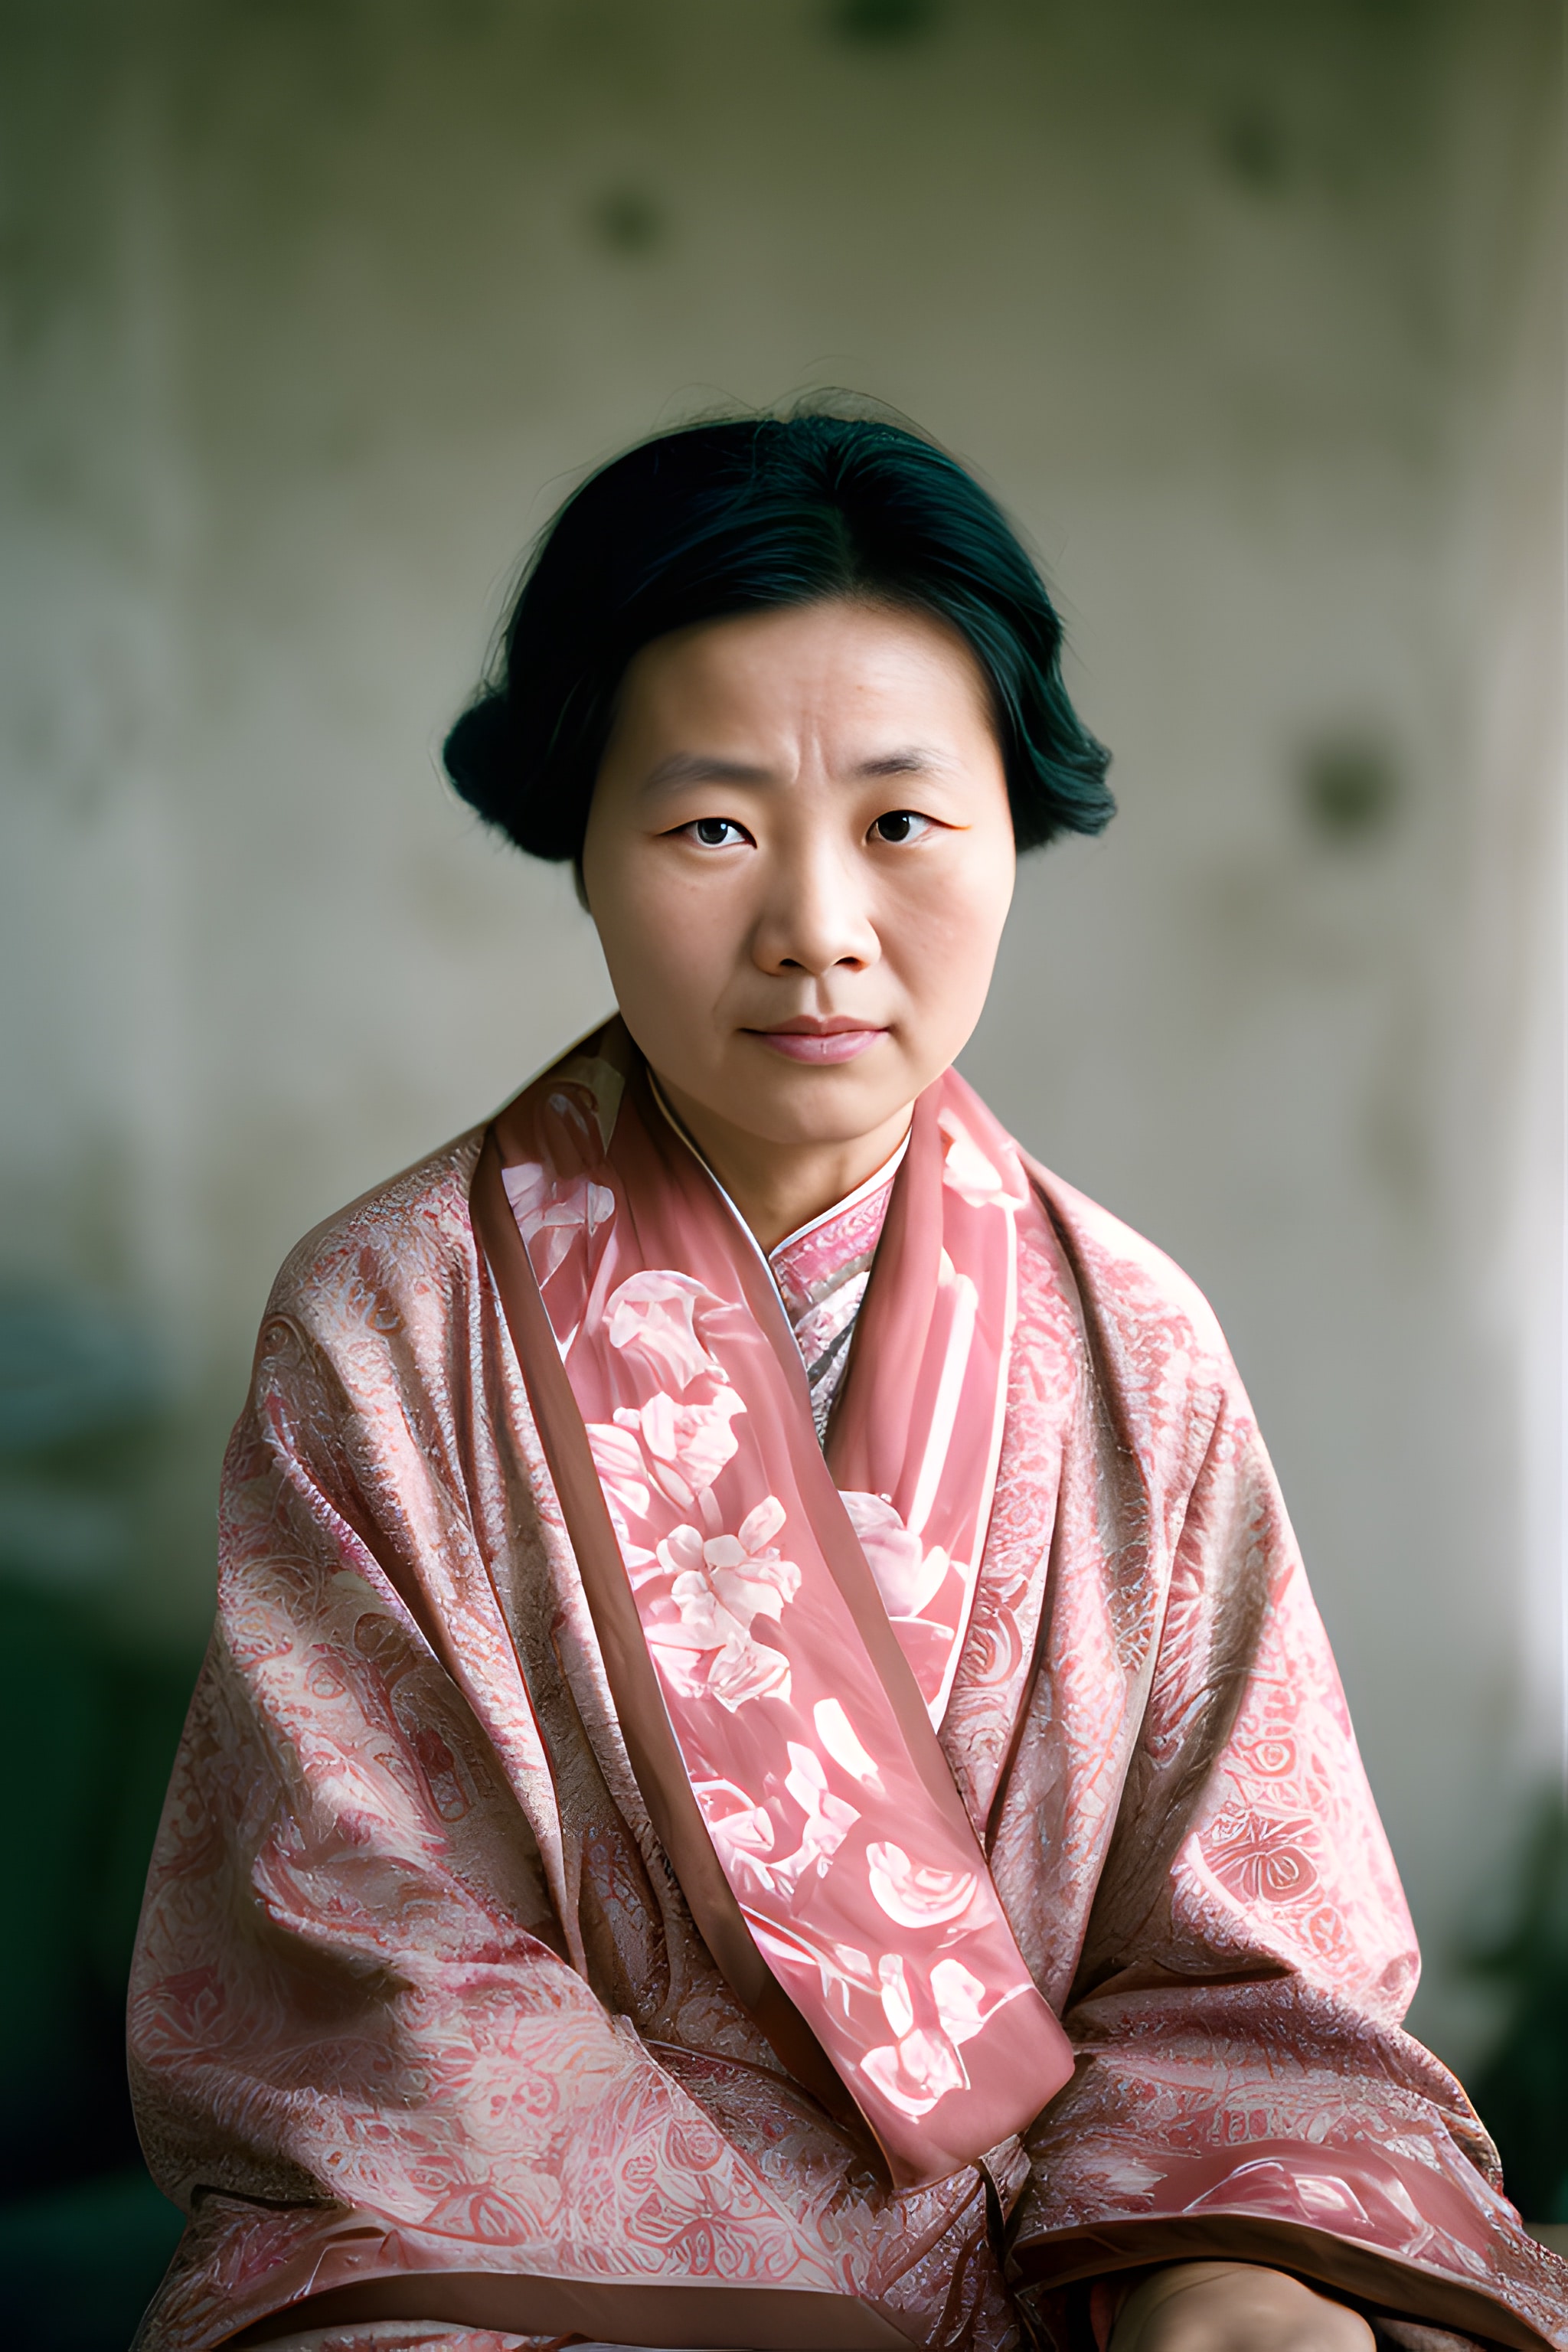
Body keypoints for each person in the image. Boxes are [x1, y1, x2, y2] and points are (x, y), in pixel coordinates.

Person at [127, 413, 1565, 2352]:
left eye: (899, 822)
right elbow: (368, 1953)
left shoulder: (1134, 1340)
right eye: (713, 826)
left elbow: (1248, 1962)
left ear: (1008, 829)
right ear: (584, 840)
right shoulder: (386, 1322)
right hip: (544, 2264)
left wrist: (1221, 2254)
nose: (816, 929)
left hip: (1056, 2231)